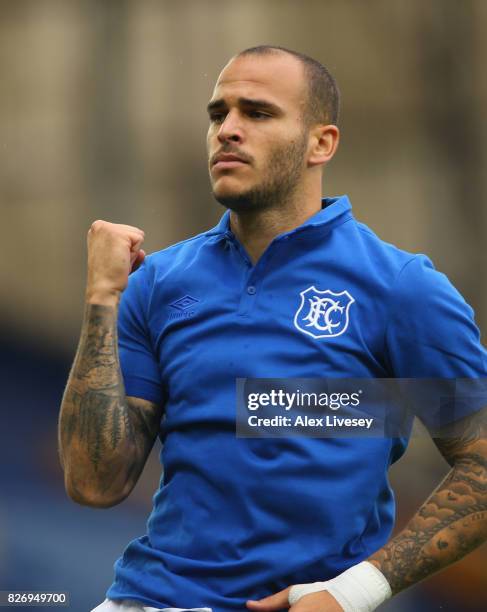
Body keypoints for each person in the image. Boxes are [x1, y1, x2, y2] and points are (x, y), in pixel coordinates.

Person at [58, 46, 487, 612]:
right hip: (147, 598)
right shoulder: (159, 281)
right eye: (218, 114)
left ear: (321, 143)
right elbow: (95, 484)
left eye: (257, 113)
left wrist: (353, 591)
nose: (228, 131)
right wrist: (101, 300)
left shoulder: (401, 288)